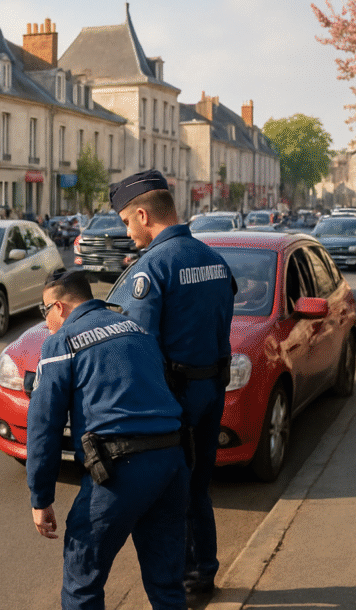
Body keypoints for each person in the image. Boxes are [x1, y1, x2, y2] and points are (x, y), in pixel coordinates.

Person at [27, 271, 189, 610]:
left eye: (46, 313)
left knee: (81, 582)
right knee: (167, 583)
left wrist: (41, 499)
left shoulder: (62, 342)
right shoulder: (137, 329)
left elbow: (44, 425)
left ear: (60, 306)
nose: (47, 323)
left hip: (120, 472)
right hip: (171, 464)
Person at [110, 169, 234, 601]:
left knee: (173, 489)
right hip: (212, 389)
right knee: (199, 484)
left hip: (173, 398)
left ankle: (183, 576)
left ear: (143, 215)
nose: (128, 233)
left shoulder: (153, 268)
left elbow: (136, 346)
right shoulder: (212, 259)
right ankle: (204, 570)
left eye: (127, 222)